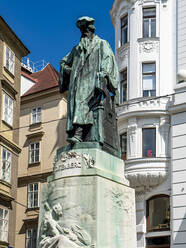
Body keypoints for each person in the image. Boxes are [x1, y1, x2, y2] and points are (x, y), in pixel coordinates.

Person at [59, 16, 119, 145]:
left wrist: (103, 74)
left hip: (93, 80)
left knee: (82, 101)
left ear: (92, 30)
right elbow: (64, 61)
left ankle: (79, 134)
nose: (84, 33)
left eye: (86, 30)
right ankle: (77, 133)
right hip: (78, 82)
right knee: (76, 103)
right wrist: (68, 69)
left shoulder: (101, 43)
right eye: (82, 31)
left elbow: (107, 60)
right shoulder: (77, 49)